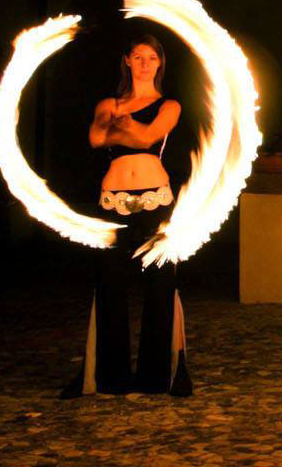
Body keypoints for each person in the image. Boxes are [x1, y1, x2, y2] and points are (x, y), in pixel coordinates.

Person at [62, 34, 191, 398]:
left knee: (161, 285)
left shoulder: (170, 105)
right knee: (109, 285)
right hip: (112, 200)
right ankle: (111, 377)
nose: (146, 63)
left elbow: (148, 138)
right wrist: (119, 124)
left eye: (152, 57)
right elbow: (95, 138)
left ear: (160, 64)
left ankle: (155, 378)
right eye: (138, 56)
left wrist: (121, 125)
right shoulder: (108, 102)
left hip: (156, 200)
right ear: (128, 62)